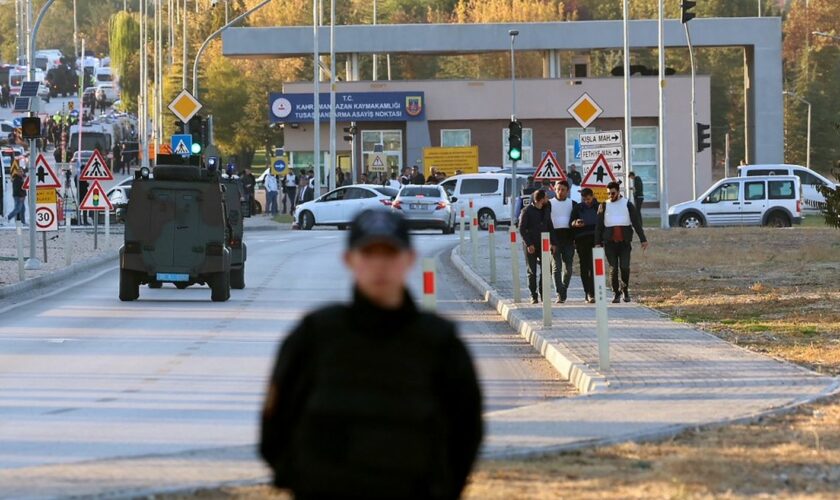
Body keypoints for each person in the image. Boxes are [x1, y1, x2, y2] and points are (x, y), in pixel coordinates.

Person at [260, 210, 483, 499]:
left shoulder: (439, 345)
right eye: (368, 253)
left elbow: (466, 432)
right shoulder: (314, 337)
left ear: (408, 260)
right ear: (350, 260)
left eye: (390, 253)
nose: (380, 265)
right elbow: (274, 427)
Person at [595, 181, 649, 303]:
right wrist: (597, 242)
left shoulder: (627, 204)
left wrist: (643, 239)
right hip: (609, 243)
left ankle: (625, 290)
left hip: (624, 243)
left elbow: (636, 223)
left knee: (624, 267)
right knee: (613, 268)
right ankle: (616, 293)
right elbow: (598, 226)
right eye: (608, 193)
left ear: (619, 192)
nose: (610, 196)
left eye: (613, 193)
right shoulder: (603, 205)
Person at [519, 189, 557, 304]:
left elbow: (550, 226)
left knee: (546, 269)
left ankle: (543, 293)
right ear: (540, 200)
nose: (547, 199)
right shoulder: (526, 211)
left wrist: (553, 243)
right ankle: (533, 295)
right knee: (532, 271)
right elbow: (522, 229)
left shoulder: (546, 210)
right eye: (546, 197)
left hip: (544, 245)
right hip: (530, 245)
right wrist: (529, 244)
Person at [549, 180, 577, 304]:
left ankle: (563, 289)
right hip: (554, 238)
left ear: (568, 191)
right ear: (554, 189)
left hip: (568, 238)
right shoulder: (549, 204)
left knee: (568, 268)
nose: (560, 192)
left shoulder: (573, 204)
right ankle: (559, 294)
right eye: (558, 189)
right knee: (556, 267)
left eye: (563, 190)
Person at [570, 188, 599, 303]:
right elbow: (570, 223)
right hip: (582, 240)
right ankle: (587, 292)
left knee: (594, 268)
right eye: (584, 199)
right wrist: (575, 223)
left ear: (592, 196)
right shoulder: (578, 208)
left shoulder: (599, 207)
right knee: (584, 267)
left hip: (595, 240)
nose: (587, 201)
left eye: (588, 199)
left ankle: (592, 293)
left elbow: (603, 223)